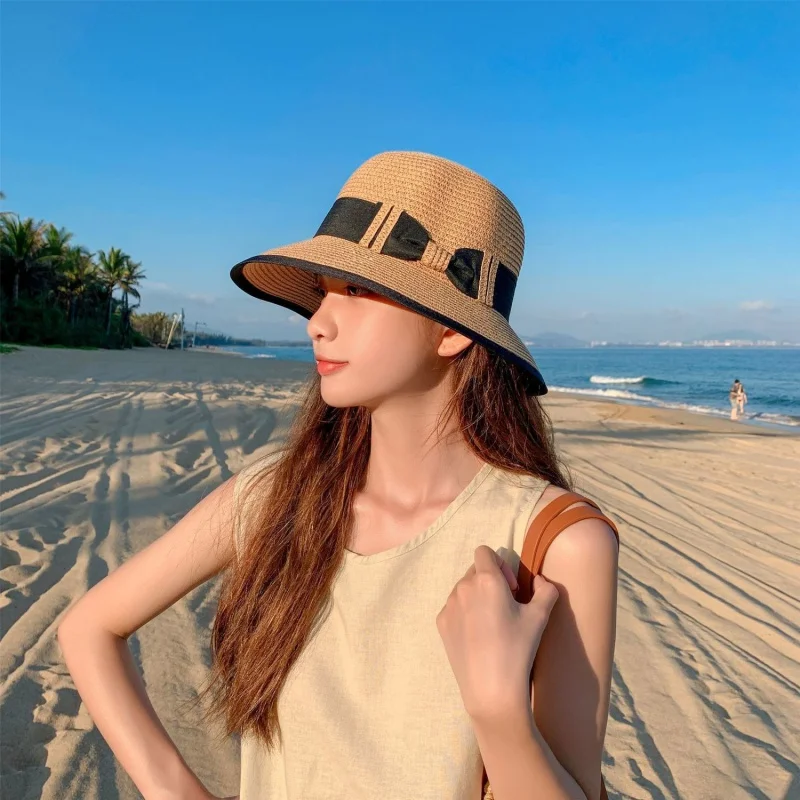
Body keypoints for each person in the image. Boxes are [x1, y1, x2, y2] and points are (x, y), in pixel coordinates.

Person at [58, 151, 620, 800]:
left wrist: (500, 717)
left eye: (355, 291)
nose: (318, 323)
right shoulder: (274, 498)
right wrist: (176, 792)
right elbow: (89, 628)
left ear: (450, 330)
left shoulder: (557, 542)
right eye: (323, 291)